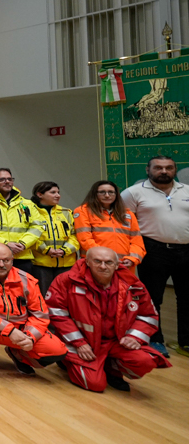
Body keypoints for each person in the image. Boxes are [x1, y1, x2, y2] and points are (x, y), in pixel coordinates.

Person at [46, 247, 171, 392]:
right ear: (87, 262)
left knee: (145, 361)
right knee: (94, 384)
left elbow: (148, 315)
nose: (103, 266)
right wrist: (79, 343)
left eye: (108, 262)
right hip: (85, 342)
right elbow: (56, 313)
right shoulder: (66, 280)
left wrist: (134, 337)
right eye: (97, 261)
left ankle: (111, 368)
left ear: (117, 265)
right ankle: (66, 361)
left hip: (117, 341)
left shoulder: (133, 284)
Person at [0, 242, 67, 374]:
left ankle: (18, 353)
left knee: (57, 349)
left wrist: (30, 337)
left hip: (21, 329)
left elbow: (40, 314)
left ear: (12, 260)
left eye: (6, 260)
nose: (1, 264)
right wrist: (9, 330)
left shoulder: (27, 280)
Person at [121, 155, 189, 357]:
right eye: (158, 168)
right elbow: (126, 225)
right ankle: (155, 339)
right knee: (152, 298)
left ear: (175, 170)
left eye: (169, 168)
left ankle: (186, 341)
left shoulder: (186, 190)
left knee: (187, 298)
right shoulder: (133, 193)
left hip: (186, 250)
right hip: (153, 249)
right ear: (148, 170)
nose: (164, 171)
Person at [0, 167, 44, 275]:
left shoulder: (27, 203)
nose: (7, 182)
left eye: (10, 179)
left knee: (22, 289)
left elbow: (37, 226)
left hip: (21, 255)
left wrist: (23, 244)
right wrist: (5, 244)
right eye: (2, 179)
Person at [73, 180, 144, 276]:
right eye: (102, 192)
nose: (107, 195)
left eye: (111, 192)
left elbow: (137, 242)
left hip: (124, 266)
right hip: (97, 265)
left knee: (123, 291)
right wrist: (106, 259)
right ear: (94, 194)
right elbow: (85, 239)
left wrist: (132, 259)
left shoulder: (128, 214)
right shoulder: (83, 211)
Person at [29, 181, 79, 293]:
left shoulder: (66, 212)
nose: (58, 195)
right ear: (40, 194)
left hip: (66, 262)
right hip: (41, 263)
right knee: (43, 295)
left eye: (58, 192)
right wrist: (46, 250)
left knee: (65, 295)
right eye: (53, 192)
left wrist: (64, 250)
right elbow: (30, 236)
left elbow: (74, 235)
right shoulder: (31, 212)